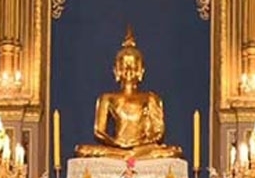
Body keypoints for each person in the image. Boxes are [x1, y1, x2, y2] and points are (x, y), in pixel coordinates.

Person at [75, 27, 182, 159]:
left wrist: (140, 144)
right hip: (116, 147)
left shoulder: (149, 98)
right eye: (124, 65)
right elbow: (99, 131)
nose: (129, 69)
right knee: (82, 150)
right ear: (116, 71)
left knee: (174, 151)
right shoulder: (107, 98)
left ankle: (128, 155)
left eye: (133, 65)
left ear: (141, 71)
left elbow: (158, 133)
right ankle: (126, 154)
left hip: (142, 148)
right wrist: (117, 144)